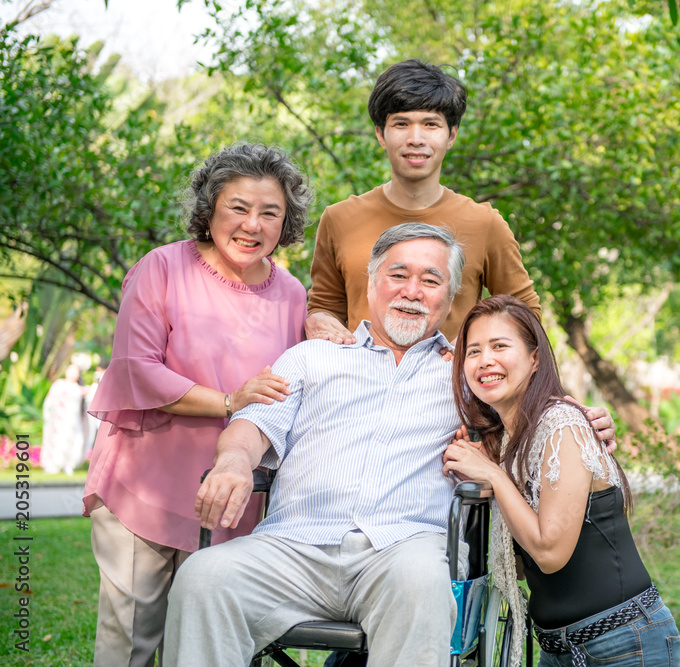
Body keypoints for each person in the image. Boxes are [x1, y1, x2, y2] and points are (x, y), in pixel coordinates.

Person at [163, 224, 613, 667]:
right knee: (203, 577)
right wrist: (234, 462)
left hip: (405, 548)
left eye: (431, 280)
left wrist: (585, 421)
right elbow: (251, 425)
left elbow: (537, 413)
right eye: (398, 275)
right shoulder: (312, 357)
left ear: (451, 297)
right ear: (372, 282)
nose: (412, 291)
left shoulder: (467, 373)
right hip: (292, 547)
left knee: (420, 582)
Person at [82, 143, 313, 667]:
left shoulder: (293, 295)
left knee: (211, 646)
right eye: (238, 207)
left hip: (233, 498)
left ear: (286, 222)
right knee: (130, 642)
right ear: (210, 208)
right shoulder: (162, 268)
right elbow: (137, 368)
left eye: (270, 212)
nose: (252, 224)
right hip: (147, 485)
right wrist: (229, 400)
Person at [443, 295, 680, 667]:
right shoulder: (509, 441)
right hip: (557, 649)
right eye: (473, 351)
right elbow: (524, 565)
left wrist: (492, 474)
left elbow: (550, 554)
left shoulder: (562, 424)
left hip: (622, 643)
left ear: (535, 357)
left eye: (500, 346)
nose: (485, 360)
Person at [305, 58, 540, 344]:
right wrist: (318, 319)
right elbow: (325, 307)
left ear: (451, 135)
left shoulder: (485, 223)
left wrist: (476, 350)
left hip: (451, 386)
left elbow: (525, 314)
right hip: (361, 384)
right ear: (381, 134)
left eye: (431, 124)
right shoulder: (339, 219)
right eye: (401, 124)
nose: (416, 139)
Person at [41, 363, 87, 475]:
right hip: (57, 420)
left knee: (73, 442)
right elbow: (49, 400)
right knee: (56, 442)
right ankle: (53, 465)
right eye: (70, 370)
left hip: (72, 421)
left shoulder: (80, 389)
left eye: (75, 371)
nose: (72, 373)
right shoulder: (59, 384)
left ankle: (68, 465)